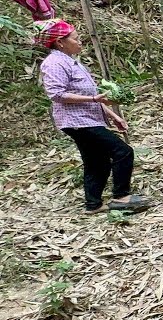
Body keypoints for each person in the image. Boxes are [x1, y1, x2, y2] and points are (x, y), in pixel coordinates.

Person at [36, 19, 152, 215]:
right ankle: (121, 196)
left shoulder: (70, 61)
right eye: (75, 39)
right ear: (60, 42)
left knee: (96, 161)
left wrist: (113, 115)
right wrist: (92, 98)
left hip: (85, 119)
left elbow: (93, 96)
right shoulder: (54, 63)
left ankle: (93, 204)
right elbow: (56, 94)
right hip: (77, 121)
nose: (80, 42)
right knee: (122, 151)